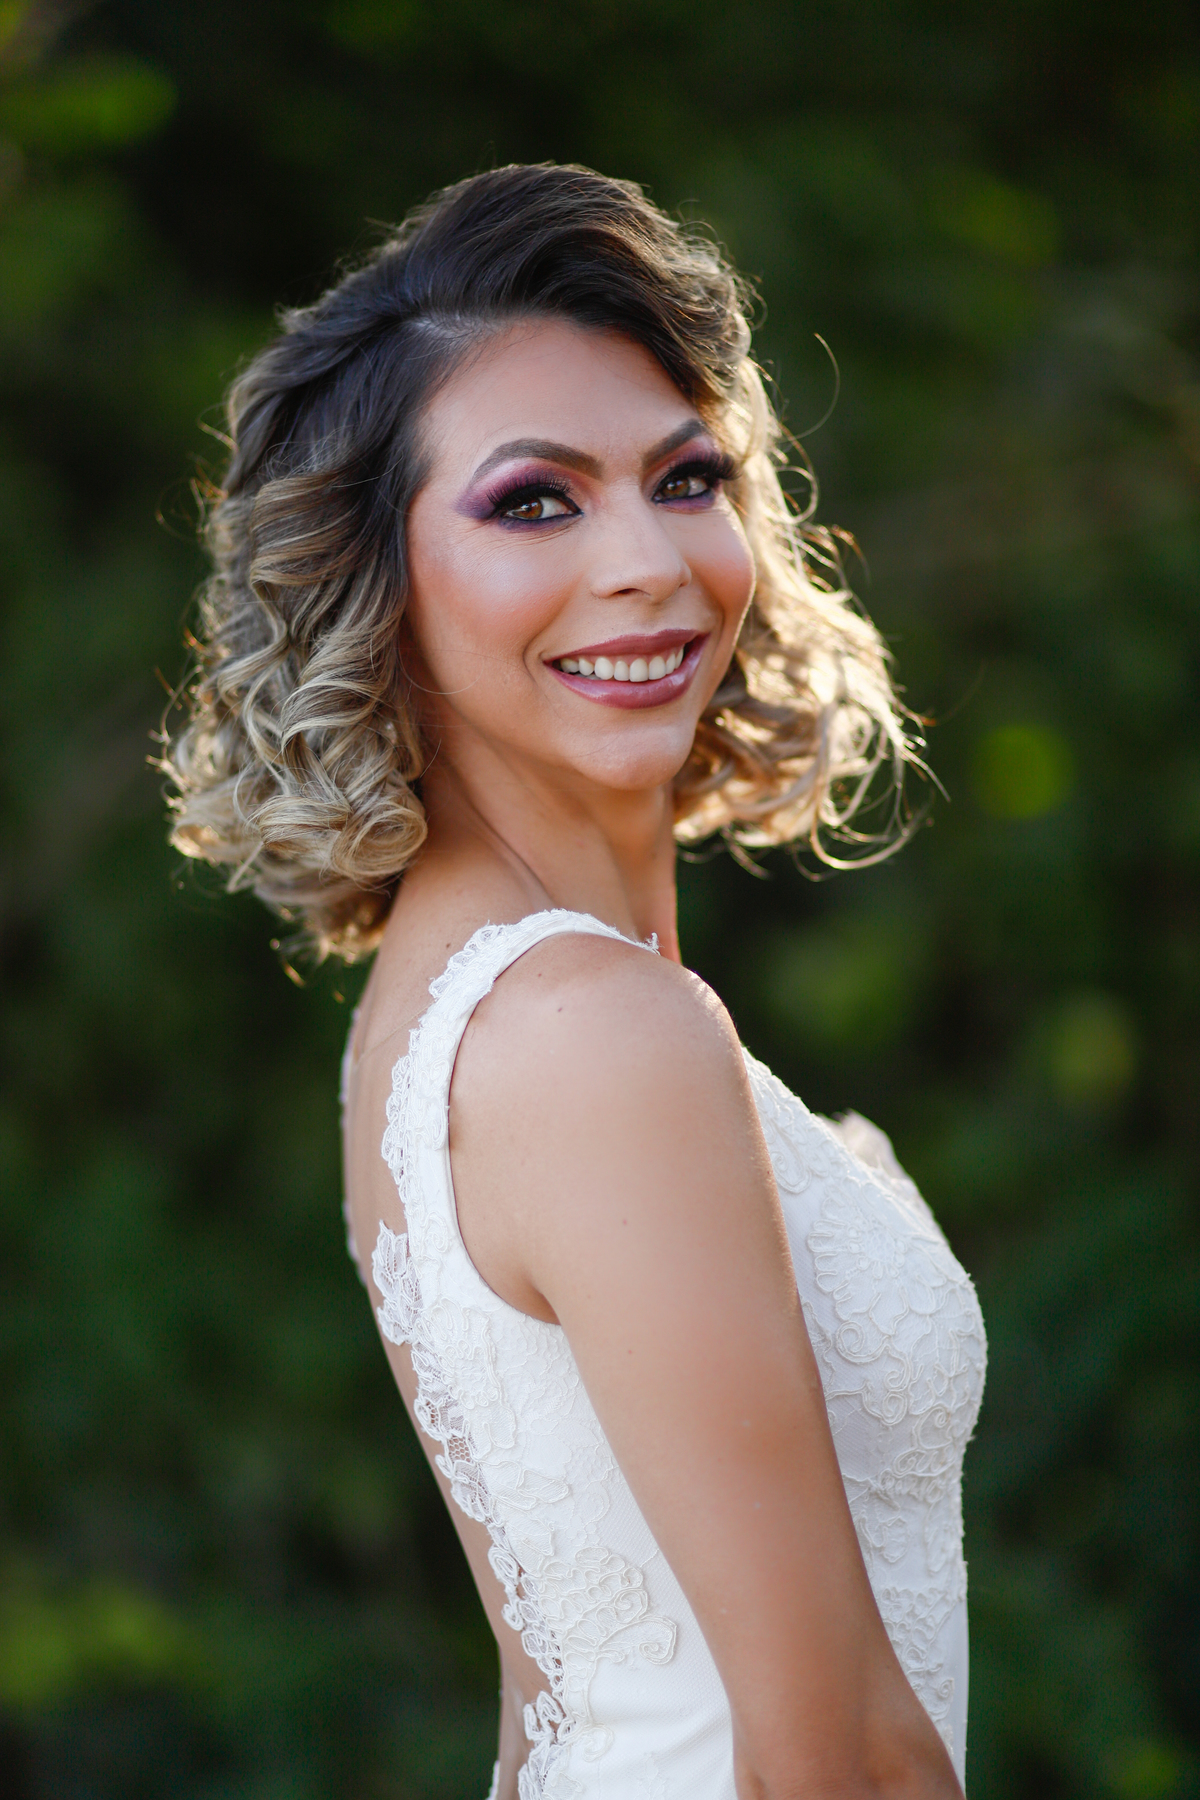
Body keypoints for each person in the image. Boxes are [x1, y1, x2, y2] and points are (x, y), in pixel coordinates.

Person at [165, 164, 986, 1800]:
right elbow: (829, 1761)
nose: (648, 562)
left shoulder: (445, 1001)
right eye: (536, 502)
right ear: (378, 580)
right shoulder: (592, 1033)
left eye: (687, 479)